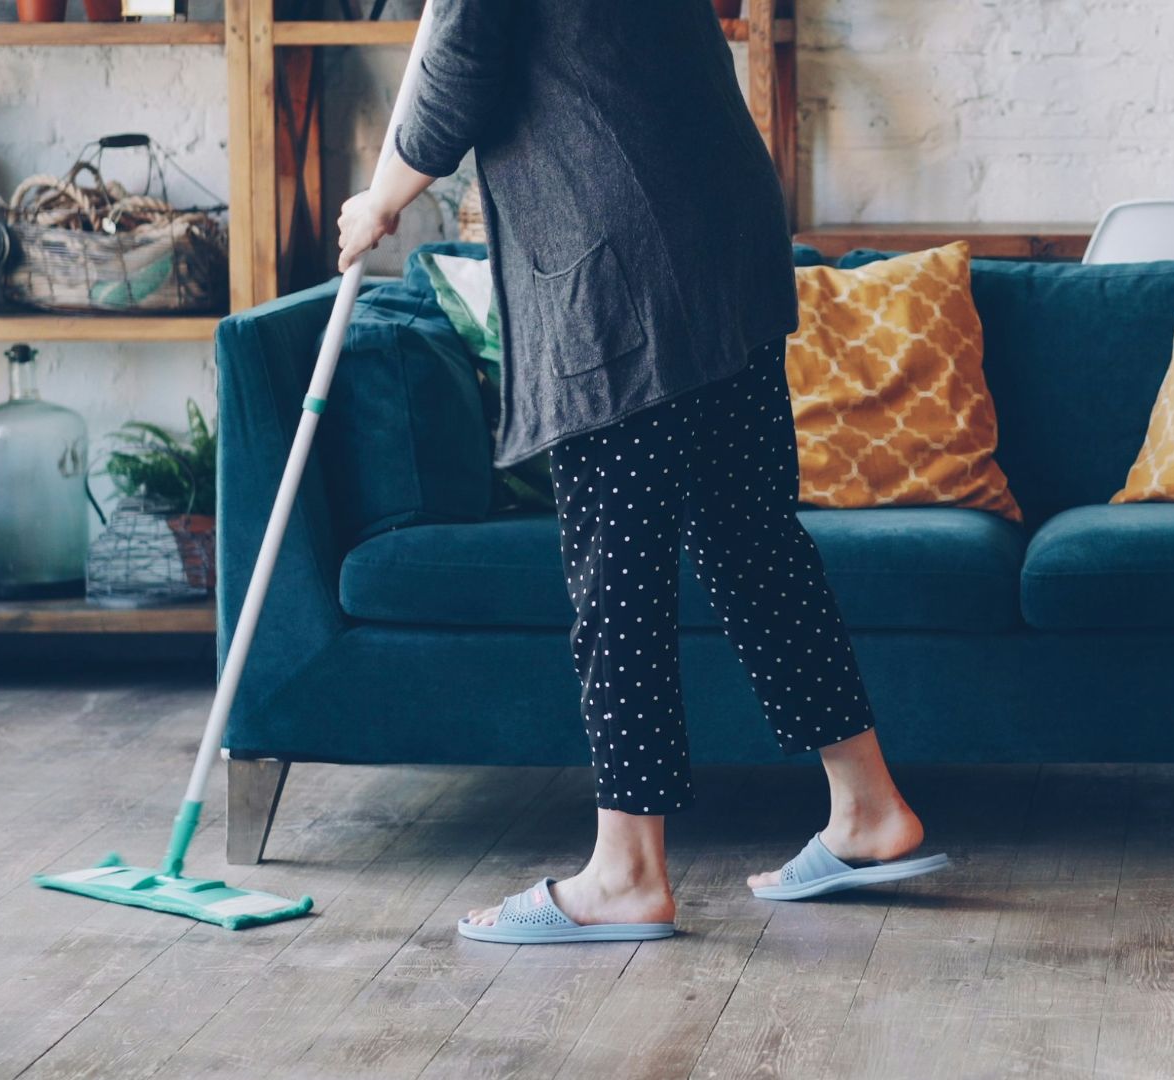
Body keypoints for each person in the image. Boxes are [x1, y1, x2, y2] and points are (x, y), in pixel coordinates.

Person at [336, 0, 946, 944]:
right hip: (723, 240)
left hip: (620, 267)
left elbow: (455, 79)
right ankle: (867, 809)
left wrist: (380, 200)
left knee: (617, 575)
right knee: (752, 542)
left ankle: (626, 871)